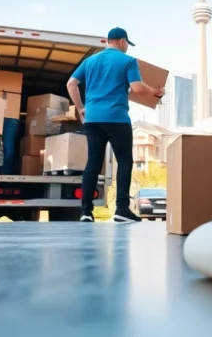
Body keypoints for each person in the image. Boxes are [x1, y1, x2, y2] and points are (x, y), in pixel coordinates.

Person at [67, 27, 163, 223]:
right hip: (117, 118)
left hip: (93, 119)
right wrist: (155, 92)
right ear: (122, 42)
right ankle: (121, 209)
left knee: (93, 162)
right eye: (127, 44)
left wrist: (80, 108)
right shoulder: (127, 61)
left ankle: (86, 211)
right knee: (125, 160)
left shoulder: (90, 61)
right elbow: (136, 87)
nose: (127, 47)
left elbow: (71, 84)